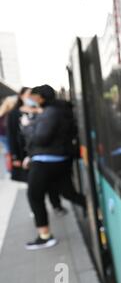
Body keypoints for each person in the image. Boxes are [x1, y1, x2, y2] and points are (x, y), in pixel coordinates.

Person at [23, 85, 86, 250]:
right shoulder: (59, 110)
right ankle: (95, 209)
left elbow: (41, 138)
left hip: (45, 162)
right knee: (68, 193)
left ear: (41, 97)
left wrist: (27, 126)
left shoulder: (50, 113)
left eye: (33, 96)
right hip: (60, 159)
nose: (31, 99)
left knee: (34, 196)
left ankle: (45, 236)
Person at [7, 87, 68, 214]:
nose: (32, 98)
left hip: (40, 153)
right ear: (22, 96)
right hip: (25, 153)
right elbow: (11, 136)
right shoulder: (14, 113)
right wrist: (15, 156)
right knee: (34, 186)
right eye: (29, 95)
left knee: (50, 183)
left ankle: (55, 204)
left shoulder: (43, 111)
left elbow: (43, 134)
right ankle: (37, 211)